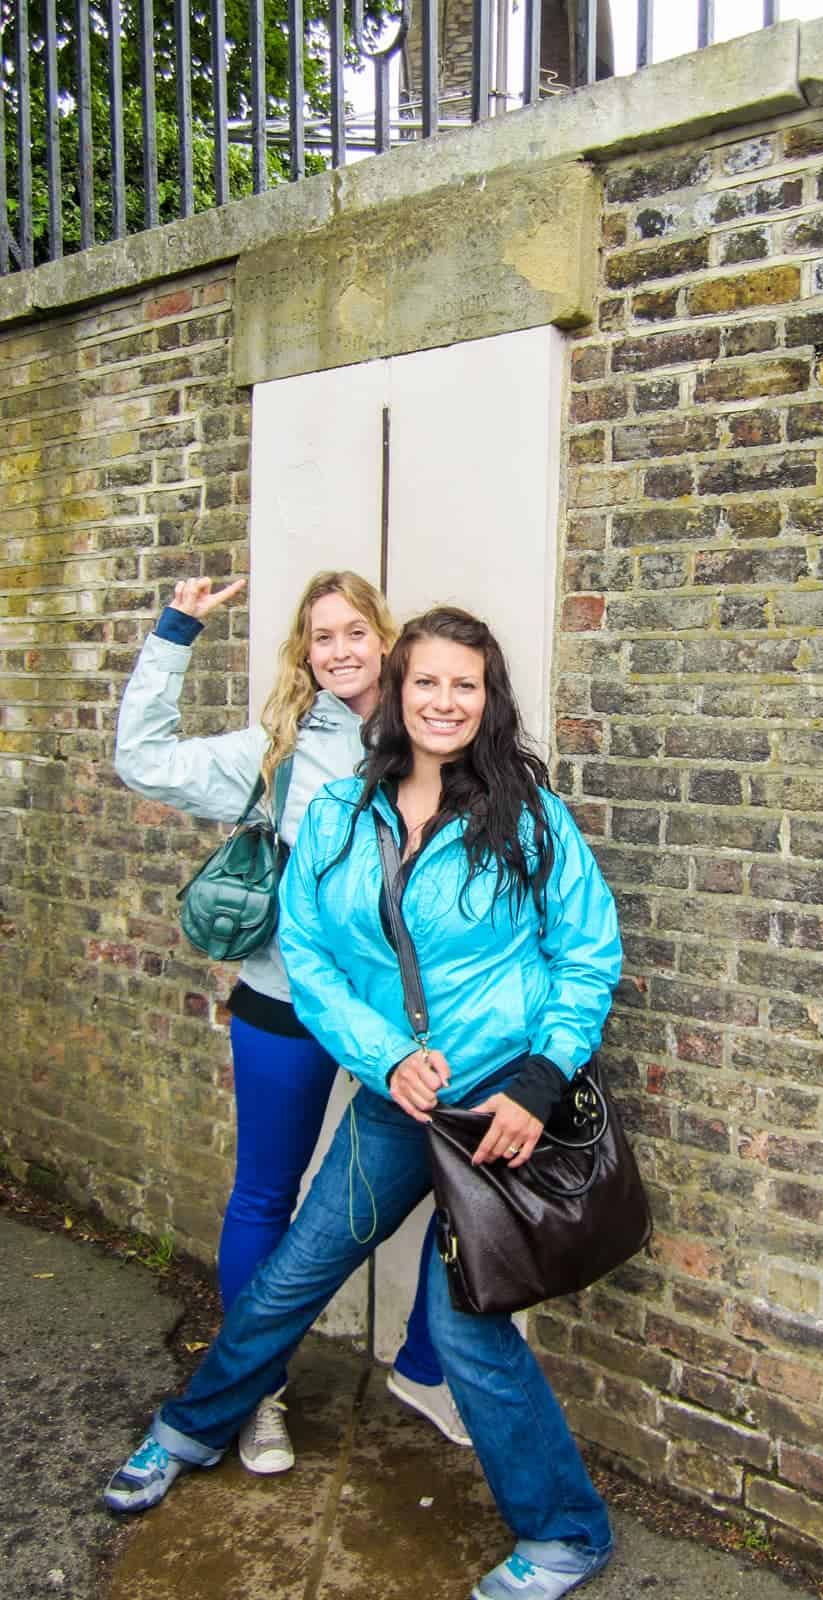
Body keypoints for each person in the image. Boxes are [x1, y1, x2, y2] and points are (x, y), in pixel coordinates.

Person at [104, 606, 622, 1600]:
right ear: (399, 687)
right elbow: (311, 958)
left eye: (464, 685)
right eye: (427, 681)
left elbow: (586, 952)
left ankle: (565, 1534)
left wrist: (538, 1081)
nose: (444, 701)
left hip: (502, 1116)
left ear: (487, 696)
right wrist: (384, 1059)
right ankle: (187, 1427)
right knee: (298, 1268)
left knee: (466, 1326)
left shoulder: (526, 813)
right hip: (397, 1104)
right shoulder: (343, 811)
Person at [113, 572, 470, 1474]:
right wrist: (175, 632)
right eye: (322, 638)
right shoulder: (277, 749)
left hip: (407, 1023)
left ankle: (428, 1367)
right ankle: (252, 1393)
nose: (341, 650)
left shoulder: (436, 734)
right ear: (303, 655)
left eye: (356, 630)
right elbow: (143, 760)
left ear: (386, 639)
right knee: (267, 1193)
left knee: (464, 1185)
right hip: (287, 1003)